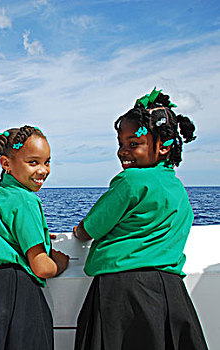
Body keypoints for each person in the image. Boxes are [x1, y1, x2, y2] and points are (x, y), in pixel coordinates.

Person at [73, 88, 208, 350]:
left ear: (164, 146)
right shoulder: (177, 187)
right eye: (121, 144)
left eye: (133, 144)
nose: (123, 152)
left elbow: (93, 226)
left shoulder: (131, 181)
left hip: (122, 292)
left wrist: (79, 232)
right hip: (169, 292)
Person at [0, 125, 70, 350]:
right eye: (33, 162)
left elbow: (2, 232)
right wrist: (59, 263)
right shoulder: (26, 200)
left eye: (47, 162)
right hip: (16, 292)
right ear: (6, 163)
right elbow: (41, 267)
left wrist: (40, 236)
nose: (43, 170)